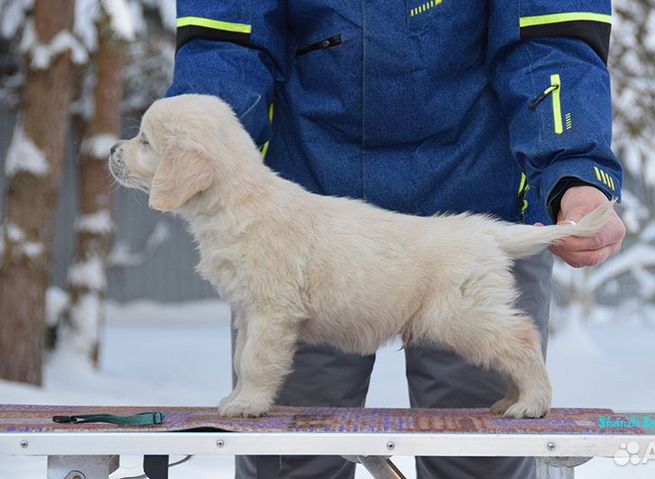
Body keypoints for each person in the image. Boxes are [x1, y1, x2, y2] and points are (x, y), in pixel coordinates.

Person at [167, 1, 626, 478]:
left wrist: (572, 169)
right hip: (304, 220)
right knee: (290, 460)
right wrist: (199, 148)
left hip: (470, 207)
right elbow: (228, 41)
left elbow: (548, 37)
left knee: (479, 460)